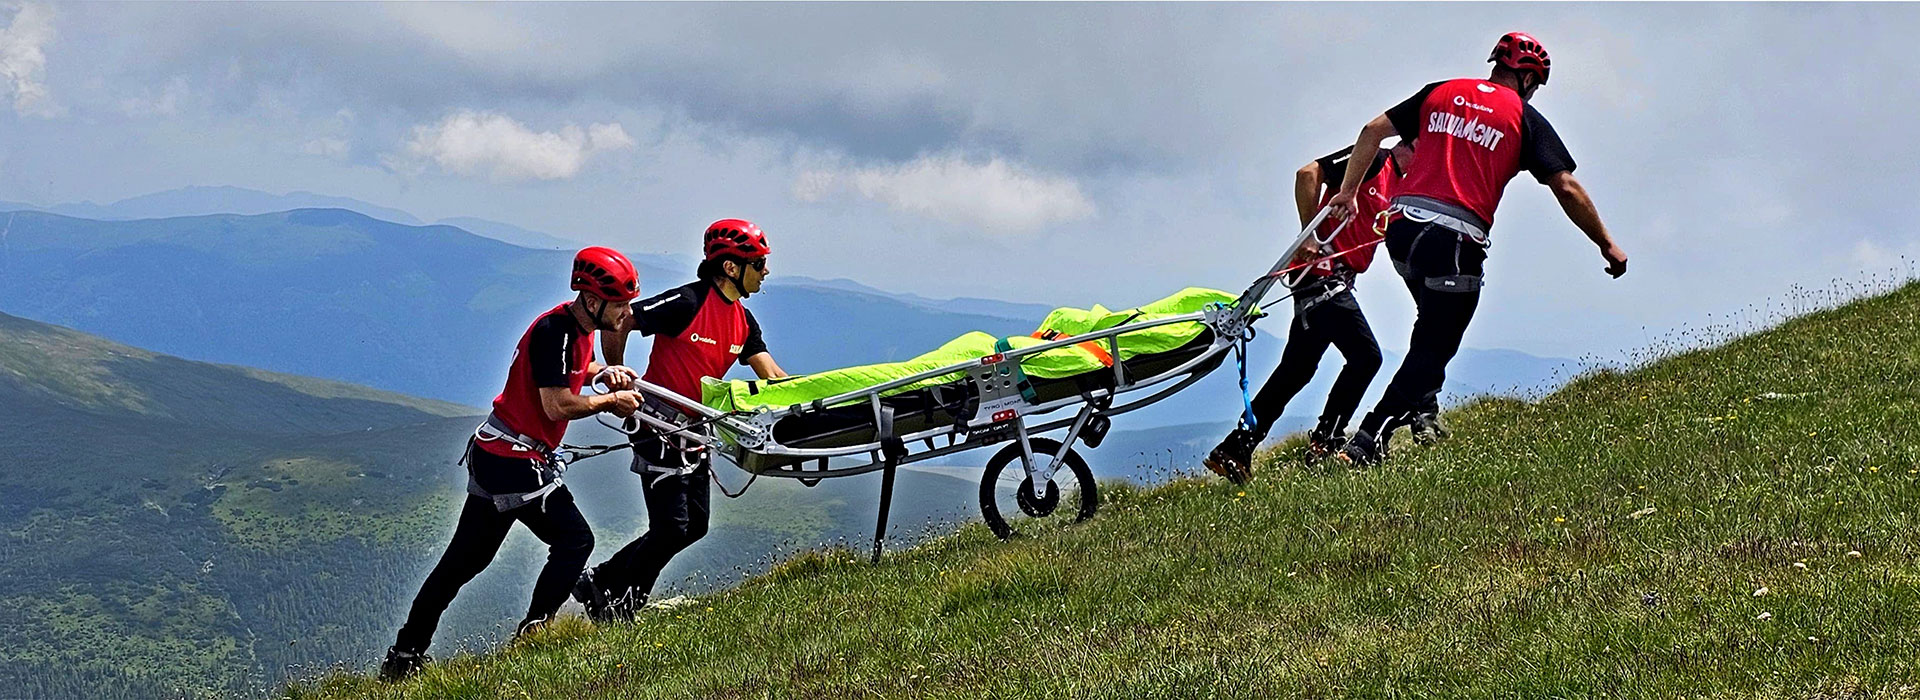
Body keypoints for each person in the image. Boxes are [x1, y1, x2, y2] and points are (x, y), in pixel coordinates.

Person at [1327, 32, 1629, 466]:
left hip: (1401, 230)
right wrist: (1606, 243)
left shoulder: (1440, 92)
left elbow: (1372, 131)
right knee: (1436, 344)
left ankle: (1423, 411)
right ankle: (1368, 439)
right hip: (1453, 239)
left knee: (1431, 323)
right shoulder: (1523, 116)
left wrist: (1348, 192)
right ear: (1528, 78)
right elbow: (1566, 186)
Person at [381, 247, 645, 681]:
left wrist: (601, 373)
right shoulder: (556, 332)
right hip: (515, 461)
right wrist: (611, 400)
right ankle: (533, 635)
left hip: (497, 452)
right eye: (620, 303)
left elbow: (571, 369)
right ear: (592, 300)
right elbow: (557, 404)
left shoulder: (574, 329)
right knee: (575, 540)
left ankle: (404, 656)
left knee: (463, 563)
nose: (627, 312)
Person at [572, 218, 789, 621]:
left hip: (695, 431)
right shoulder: (688, 301)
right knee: (671, 528)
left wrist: (816, 403)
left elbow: (773, 376)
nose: (766, 271)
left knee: (696, 525)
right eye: (759, 263)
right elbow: (623, 319)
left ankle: (599, 579)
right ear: (731, 267)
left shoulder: (743, 321)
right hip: (657, 426)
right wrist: (617, 372)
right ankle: (621, 608)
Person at [1204, 138, 1413, 483]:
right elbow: (1307, 174)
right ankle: (1327, 441)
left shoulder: (1402, 186)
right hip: (1322, 279)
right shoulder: (1374, 160)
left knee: (1296, 371)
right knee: (1366, 358)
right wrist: (1309, 236)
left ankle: (1236, 448)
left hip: (1331, 281)